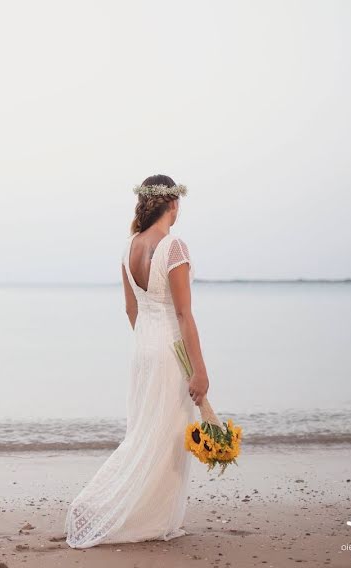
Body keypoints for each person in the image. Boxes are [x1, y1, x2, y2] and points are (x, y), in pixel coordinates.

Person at [65, 174, 209, 548]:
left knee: (146, 433)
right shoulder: (173, 247)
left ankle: (138, 514)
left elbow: (131, 310)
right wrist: (200, 371)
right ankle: (105, 506)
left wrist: (148, 343)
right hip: (169, 353)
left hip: (143, 351)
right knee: (165, 438)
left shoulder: (129, 247)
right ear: (173, 204)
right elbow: (183, 315)